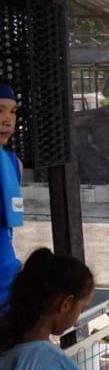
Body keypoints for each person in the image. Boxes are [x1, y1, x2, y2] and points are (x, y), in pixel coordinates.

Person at [0, 247, 95, 370]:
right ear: (66, 303)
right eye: (81, 309)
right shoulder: (54, 365)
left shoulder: (6, 347)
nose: (77, 320)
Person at [0, 83, 24, 311]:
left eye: (13, 111)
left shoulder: (14, 165)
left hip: (7, 290)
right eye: (0, 111)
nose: (7, 119)